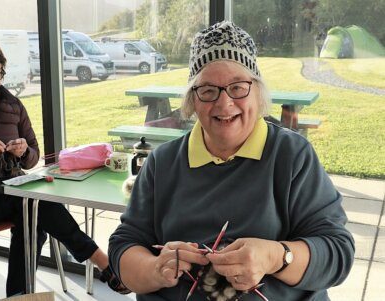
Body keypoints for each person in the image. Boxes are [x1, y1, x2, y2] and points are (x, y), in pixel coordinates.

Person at [108, 21, 354, 300]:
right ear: (192, 100)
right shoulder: (162, 162)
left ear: (258, 92)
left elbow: (337, 253)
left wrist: (275, 257)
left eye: (238, 87)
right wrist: (154, 268)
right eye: (208, 90)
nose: (224, 104)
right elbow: (123, 247)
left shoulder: (292, 155)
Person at [0, 36, 129, 296]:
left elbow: (34, 157)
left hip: (13, 185)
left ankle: (19, 297)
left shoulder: (12, 104)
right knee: (32, 207)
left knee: (31, 217)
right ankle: (102, 261)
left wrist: (24, 152)